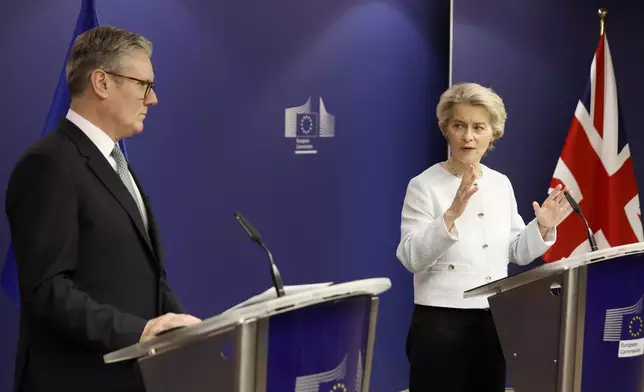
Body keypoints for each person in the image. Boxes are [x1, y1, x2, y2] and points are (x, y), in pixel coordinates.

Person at [5, 26, 201, 392]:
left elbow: (144, 275)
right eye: (144, 84)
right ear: (102, 82)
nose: (153, 99)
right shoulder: (48, 164)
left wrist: (185, 328)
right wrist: (138, 331)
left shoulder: (112, 162)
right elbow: (47, 288)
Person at [396, 82, 571, 392]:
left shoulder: (500, 183)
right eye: (459, 125)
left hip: (493, 320)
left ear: (494, 134)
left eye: (478, 127)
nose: (468, 136)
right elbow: (411, 257)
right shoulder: (423, 186)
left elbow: (517, 251)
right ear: (445, 129)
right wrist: (451, 215)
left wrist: (543, 226)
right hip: (439, 323)